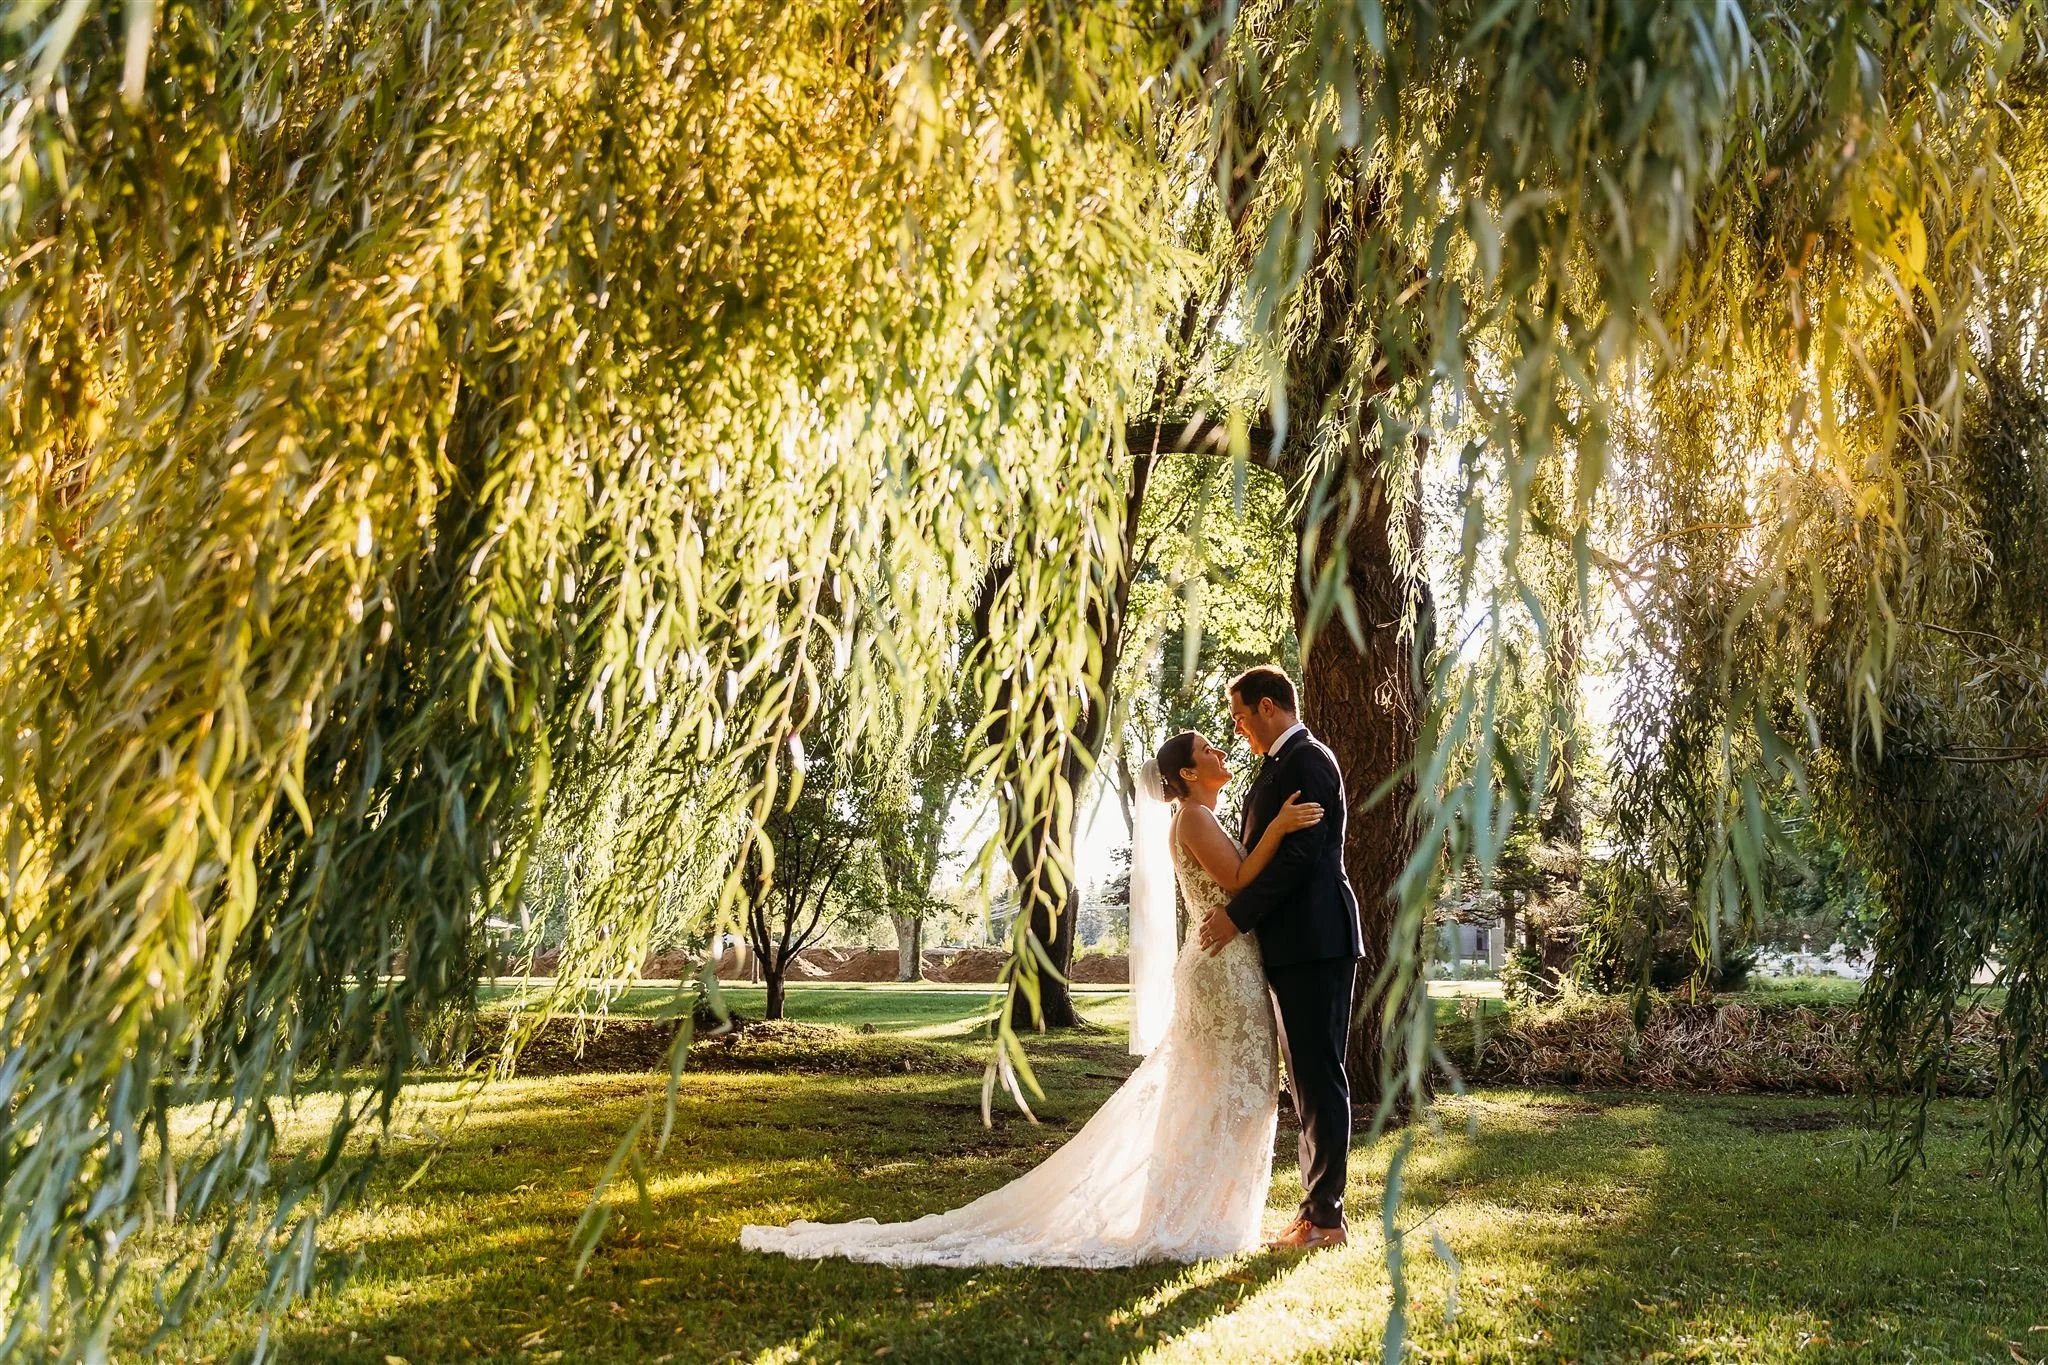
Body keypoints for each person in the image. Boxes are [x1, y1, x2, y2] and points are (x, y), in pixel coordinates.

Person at [738, 727, 1321, 1266]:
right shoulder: (1192, 818)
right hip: (1221, 972)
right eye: (1208, 751)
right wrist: (1281, 827)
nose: (1221, 752)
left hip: (1231, 964)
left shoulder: (1202, 816)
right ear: (1189, 774)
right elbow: (1242, 882)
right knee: (1224, 1090)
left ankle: (1212, 1214)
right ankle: (1190, 1218)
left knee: (1233, 1091)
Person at [1197, 664, 1362, 1250]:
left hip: (1317, 941)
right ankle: (1313, 1209)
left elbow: (1299, 861)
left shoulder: (1308, 761)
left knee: (1319, 1077)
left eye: (1241, 717)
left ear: (1269, 707)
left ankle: (1327, 1220)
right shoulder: (1277, 768)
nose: (1239, 730)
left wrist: (1236, 917)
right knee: (1306, 1081)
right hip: (1293, 945)